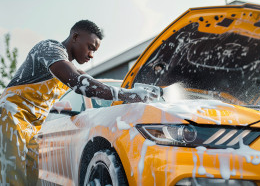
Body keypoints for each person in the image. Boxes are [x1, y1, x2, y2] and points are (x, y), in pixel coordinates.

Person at [0, 20, 160, 185]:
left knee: (31, 180)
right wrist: (129, 94)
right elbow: (80, 83)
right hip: (10, 117)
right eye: (90, 47)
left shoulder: (69, 68)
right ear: (75, 37)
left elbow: (91, 83)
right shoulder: (50, 48)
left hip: (32, 128)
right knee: (13, 178)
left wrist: (133, 93)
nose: (91, 55)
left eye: (94, 51)